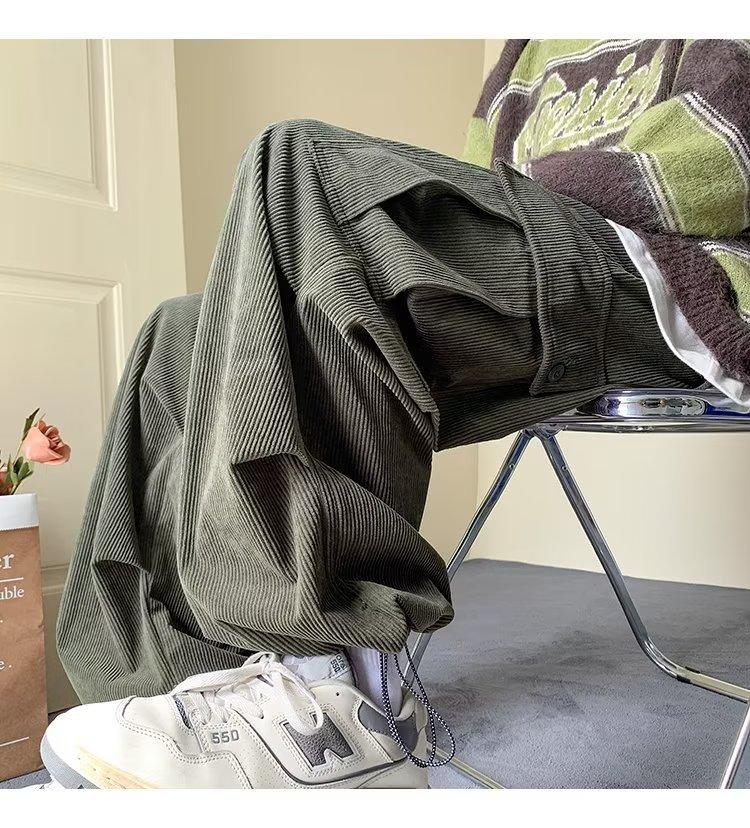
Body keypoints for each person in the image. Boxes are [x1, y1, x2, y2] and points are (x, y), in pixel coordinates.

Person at [43, 39, 748, 789]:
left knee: (301, 164)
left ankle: (334, 707)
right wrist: (505, 198)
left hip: (676, 269)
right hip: (548, 261)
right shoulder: (528, 49)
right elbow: (479, 183)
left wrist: (535, 192)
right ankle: (193, 688)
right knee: (181, 332)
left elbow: (726, 162)